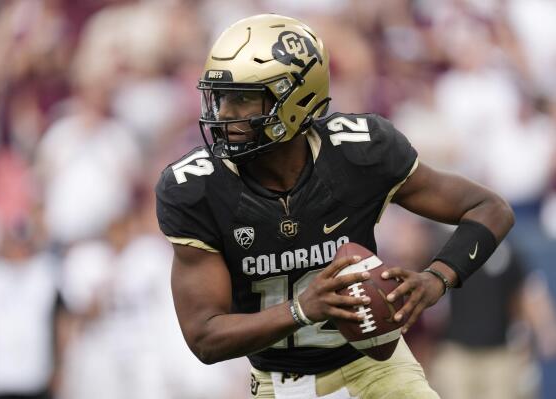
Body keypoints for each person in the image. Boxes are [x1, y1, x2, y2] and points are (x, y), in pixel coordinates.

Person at [155, 14, 514, 399]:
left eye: (243, 98)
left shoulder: (359, 152)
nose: (224, 113)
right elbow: (204, 338)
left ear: (294, 98)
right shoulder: (195, 187)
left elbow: (489, 208)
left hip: (377, 369)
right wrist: (301, 310)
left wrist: (437, 278)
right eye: (222, 97)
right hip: (281, 385)